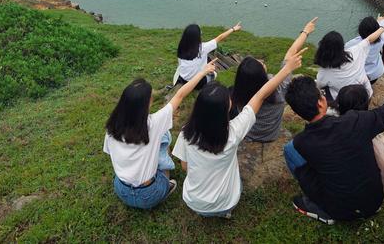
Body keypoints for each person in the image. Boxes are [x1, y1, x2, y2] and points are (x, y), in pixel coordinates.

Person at [173, 47, 308, 218]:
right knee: (237, 183)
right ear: (225, 109)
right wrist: (287, 69)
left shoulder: (186, 133)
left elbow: (185, 167)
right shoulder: (234, 132)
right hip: (226, 203)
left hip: (193, 202)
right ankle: (224, 212)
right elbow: (259, 96)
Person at [283, 55, 384, 224]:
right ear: (321, 103)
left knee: (289, 149)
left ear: (296, 111)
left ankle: (321, 209)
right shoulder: (356, 121)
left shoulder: (301, 143)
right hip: (373, 202)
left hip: (338, 211)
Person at [103, 60, 217, 209]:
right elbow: (180, 95)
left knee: (160, 137)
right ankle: (166, 186)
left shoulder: (112, 128)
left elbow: (111, 153)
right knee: (164, 136)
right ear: (146, 105)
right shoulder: (153, 123)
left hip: (122, 190)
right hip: (149, 194)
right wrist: (202, 72)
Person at [230, 18, 317, 142]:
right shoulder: (280, 86)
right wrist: (306, 32)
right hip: (270, 136)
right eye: (260, 63)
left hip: (248, 134)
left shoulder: (239, 92)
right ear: (261, 75)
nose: (261, 61)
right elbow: (291, 52)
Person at [333, 84, 384, 215]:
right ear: (367, 104)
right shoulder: (370, 128)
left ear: (338, 104)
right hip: (371, 203)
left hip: (337, 202)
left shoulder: (327, 129)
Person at [314, 19, 384, 100]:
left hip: (348, 102)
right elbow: (369, 39)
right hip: (366, 95)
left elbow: (319, 86)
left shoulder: (323, 73)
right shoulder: (354, 52)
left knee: (322, 90)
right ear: (342, 46)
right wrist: (383, 28)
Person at [175, 22, 242, 89]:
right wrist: (233, 29)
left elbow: (180, 64)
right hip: (197, 83)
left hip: (183, 79)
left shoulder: (181, 47)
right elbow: (220, 38)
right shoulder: (203, 48)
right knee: (214, 74)